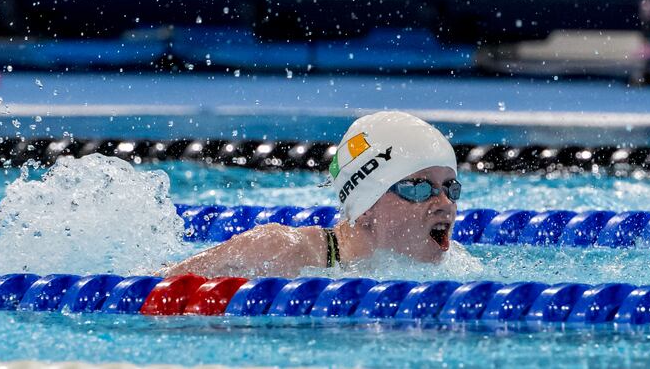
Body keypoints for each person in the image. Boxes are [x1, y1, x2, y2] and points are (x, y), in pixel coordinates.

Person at [161, 111, 460, 278]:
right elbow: (151, 287)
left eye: (450, 187)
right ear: (366, 205)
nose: (444, 204)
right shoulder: (280, 252)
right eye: (419, 188)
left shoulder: (460, 265)